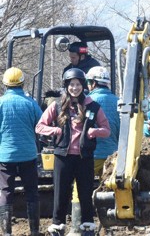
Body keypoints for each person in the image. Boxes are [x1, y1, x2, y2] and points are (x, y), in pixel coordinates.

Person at [36, 68, 111, 235]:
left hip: (84, 157)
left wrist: (94, 132)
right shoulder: (56, 106)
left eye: (78, 84)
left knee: (85, 193)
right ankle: (58, 225)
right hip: (63, 156)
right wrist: (55, 131)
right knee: (60, 193)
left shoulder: (93, 106)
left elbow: (107, 130)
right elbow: (39, 126)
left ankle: (87, 226)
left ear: (83, 86)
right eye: (71, 85)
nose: (74, 88)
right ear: (66, 86)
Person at [68, 66, 120, 235]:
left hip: (89, 155)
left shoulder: (87, 101)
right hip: (112, 157)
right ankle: (109, 229)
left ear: (92, 83)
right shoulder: (119, 101)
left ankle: (77, 228)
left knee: (80, 190)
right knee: (108, 191)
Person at [0, 67, 43, 236]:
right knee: (32, 192)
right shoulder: (30, 103)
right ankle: (34, 231)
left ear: (5, 84)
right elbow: (41, 125)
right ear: (23, 83)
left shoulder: (1, 103)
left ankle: (7, 232)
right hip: (28, 155)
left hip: (5, 156)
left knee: (5, 192)